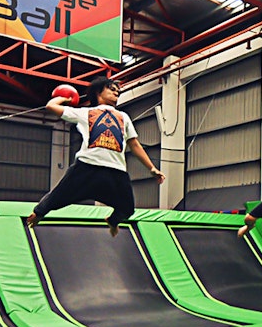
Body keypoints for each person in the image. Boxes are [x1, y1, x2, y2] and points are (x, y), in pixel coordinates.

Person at [26, 76, 165, 236]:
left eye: (118, 91)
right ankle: (38, 214)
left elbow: (134, 145)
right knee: (58, 195)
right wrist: (66, 97)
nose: (116, 93)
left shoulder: (124, 117)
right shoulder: (85, 113)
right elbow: (51, 106)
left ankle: (113, 221)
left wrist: (152, 168)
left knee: (127, 209)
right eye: (111, 89)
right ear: (98, 92)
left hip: (116, 170)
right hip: (87, 166)